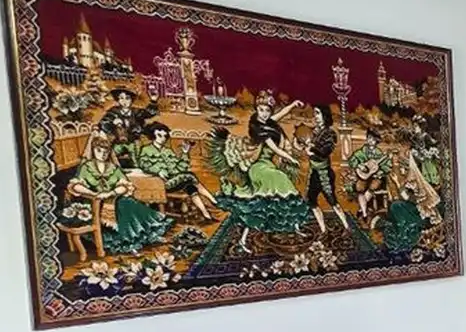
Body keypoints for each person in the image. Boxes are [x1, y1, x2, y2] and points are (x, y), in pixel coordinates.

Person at [207, 90, 310, 252]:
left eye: (267, 110)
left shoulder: (269, 122)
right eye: (261, 110)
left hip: (268, 165)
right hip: (258, 168)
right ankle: (244, 239)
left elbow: (280, 114)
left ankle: (295, 227)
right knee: (280, 183)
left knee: (268, 200)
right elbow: (275, 149)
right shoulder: (258, 128)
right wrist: (290, 158)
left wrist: (292, 105)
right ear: (256, 110)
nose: (264, 113)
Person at [63, 135, 173, 255]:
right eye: (99, 150)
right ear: (93, 150)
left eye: (106, 151)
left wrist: (110, 193)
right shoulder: (86, 167)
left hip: (113, 198)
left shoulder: (113, 167)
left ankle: (141, 238)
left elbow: (125, 185)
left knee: (128, 203)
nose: (102, 154)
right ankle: (128, 243)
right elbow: (75, 185)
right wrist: (94, 193)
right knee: (124, 205)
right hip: (94, 202)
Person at [137, 123, 219, 221]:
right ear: (152, 135)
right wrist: (158, 171)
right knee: (190, 176)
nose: (162, 138)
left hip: (173, 181)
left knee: (190, 187)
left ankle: (206, 214)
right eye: (159, 135)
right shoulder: (146, 149)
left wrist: (185, 153)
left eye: (165, 136)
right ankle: (213, 200)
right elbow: (143, 164)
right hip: (161, 184)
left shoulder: (168, 151)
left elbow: (179, 169)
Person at [303, 105, 349, 234]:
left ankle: (346, 226)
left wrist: (312, 150)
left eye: (318, 113)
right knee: (311, 201)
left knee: (332, 201)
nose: (315, 116)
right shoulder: (314, 132)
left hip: (324, 174)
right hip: (314, 172)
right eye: (314, 113)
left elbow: (325, 152)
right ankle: (323, 229)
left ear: (325, 115)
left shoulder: (330, 133)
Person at [99, 87, 159, 168]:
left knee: (137, 158)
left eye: (127, 98)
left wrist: (153, 101)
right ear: (118, 100)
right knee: (111, 156)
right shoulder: (113, 112)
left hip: (133, 142)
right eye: (121, 98)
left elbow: (149, 113)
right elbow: (103, 124)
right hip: (117, 143)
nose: (124, 101)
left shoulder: (136, 112)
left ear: (131, 100)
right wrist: (113, 123)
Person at [347, 129, 392, 218]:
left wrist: (380, 172)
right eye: (369, 138)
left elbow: (387, 166)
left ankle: (361, 210)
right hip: (363, 176)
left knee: (373, 186)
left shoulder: (379, 153)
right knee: (360, 188)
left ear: (377, 141)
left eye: (373, 139)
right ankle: (364, 213)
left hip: (375, 177)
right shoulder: (361, 152)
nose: (370, 140)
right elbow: (351, 160)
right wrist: (359, 166)